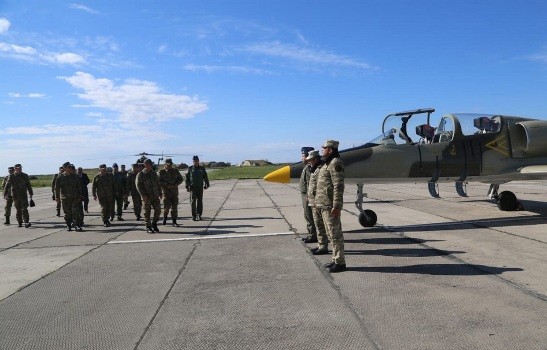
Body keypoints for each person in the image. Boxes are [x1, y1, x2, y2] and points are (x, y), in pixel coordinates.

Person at [315, 140, 347, 273]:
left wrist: (337, 205)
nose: (322, 150)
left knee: (335, 235)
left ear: (331, 149)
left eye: (325, 148)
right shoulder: (327, 163)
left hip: (330, 206)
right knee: (330, 233)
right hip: (324, 204)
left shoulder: (335, 163)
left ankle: (340, 262)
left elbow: (338, 185)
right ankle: (335, 259)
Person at [306, 150, 329, 255]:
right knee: (318, 225)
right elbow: (312, 185)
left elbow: (322, 186)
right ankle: (321, 245)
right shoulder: (313, 169)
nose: (309, 162)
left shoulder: (321, 169)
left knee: (322, 225)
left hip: (320, 201)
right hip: (313, 201)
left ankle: (324, 246)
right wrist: (309, 196)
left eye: (310, 160)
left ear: (315, 159)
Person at [55, 162, 83, 231]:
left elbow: (79, 186)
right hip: (65, 198)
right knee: (67, 213)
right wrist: (57, 197)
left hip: (74, 197)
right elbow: (57, 188)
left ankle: (77, 225)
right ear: (64, 168)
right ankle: (68, 225)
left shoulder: (75, 176)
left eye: (71, 167)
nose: (70, 168)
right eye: (69, 167)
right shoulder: (60, 177)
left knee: (75, 212)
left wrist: (80, 195)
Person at [3, 164, 33, 228]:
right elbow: (7, 186)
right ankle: (20, 222)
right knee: (18, 209)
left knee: (24, 209)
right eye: (18, 168)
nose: (20, 169)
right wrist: (5, 194)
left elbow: (28, 185)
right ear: (15, 169)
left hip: (23, 195)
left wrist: (31, 193)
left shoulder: (25, 175)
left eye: (20, 168)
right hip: (15, 196)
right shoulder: (11, 176)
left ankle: (26, 222)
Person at [137, 159, 162, 233]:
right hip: (146, 197)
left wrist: (160, 193)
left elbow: (158, 184)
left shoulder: (154, 173)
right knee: (147, 212)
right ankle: (148, 226)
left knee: (158, 210)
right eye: (149, 165)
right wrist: (143, 195)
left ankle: (154, 223)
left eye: (151, 165)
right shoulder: (141, 174)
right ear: (146, 165)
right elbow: (138, 186)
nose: (151, 166)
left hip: (155, 196)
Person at [159, 158, 184, 226]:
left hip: (174, 193)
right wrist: (166, 186)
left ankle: (174, 221)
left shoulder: (175, 171)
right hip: (166, 193)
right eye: (168, 165)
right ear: (165, 164)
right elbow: (159, 182)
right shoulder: (161, 172)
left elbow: (181, 179)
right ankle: (165, 218)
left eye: (171, 165)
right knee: (166, 208)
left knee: (174, 208)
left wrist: (175, 185)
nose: (170, 166)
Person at [299, 147, 317, 243]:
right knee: (307, 215)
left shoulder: (309, 168)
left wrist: (308, 196)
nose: (302, 158)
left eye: (303, 156)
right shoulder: (306, 167)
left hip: (307, 195)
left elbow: (310, 183)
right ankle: (311, 234)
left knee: (309, 216)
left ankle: (312, 235)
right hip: (305, 195)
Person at [185, 155, 209, 221]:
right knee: (193, 202)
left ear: (198, 161)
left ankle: (199, 215)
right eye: (193, 161)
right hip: (192, 188)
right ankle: (194, 216)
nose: (195, 162)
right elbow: (186, 179)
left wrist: (207, 184)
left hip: (200, 187)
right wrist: (187, 186)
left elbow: (205, 177)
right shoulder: (190, 168)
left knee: (200, 201)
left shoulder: (202, 168)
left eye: (196, 161)